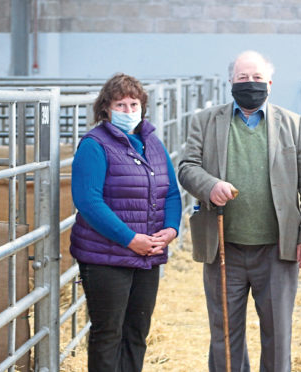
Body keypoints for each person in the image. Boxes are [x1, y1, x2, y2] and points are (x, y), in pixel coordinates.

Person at [178, 50, 301, 372]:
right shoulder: (206, 121)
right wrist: (209, 185)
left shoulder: (292, 124)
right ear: (230, 81)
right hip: (223, 248)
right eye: (243, 77)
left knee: (277, 334)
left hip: (276, 250)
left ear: (270, 83)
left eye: (257, 78)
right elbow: (187, 167)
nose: (250, 83)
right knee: (225, 334)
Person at [70, 73, 182, 372]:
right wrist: (130, 239)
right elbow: (89, 201)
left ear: (142, 107)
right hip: (107, 255)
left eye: (134, 104)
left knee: (137, 331)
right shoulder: (94, 145)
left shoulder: (152, 143)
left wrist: (170, 230)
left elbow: (171, 191)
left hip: (149, 253)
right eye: (121, 105)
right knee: (108, 332)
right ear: (106, 108)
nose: (128, 111)